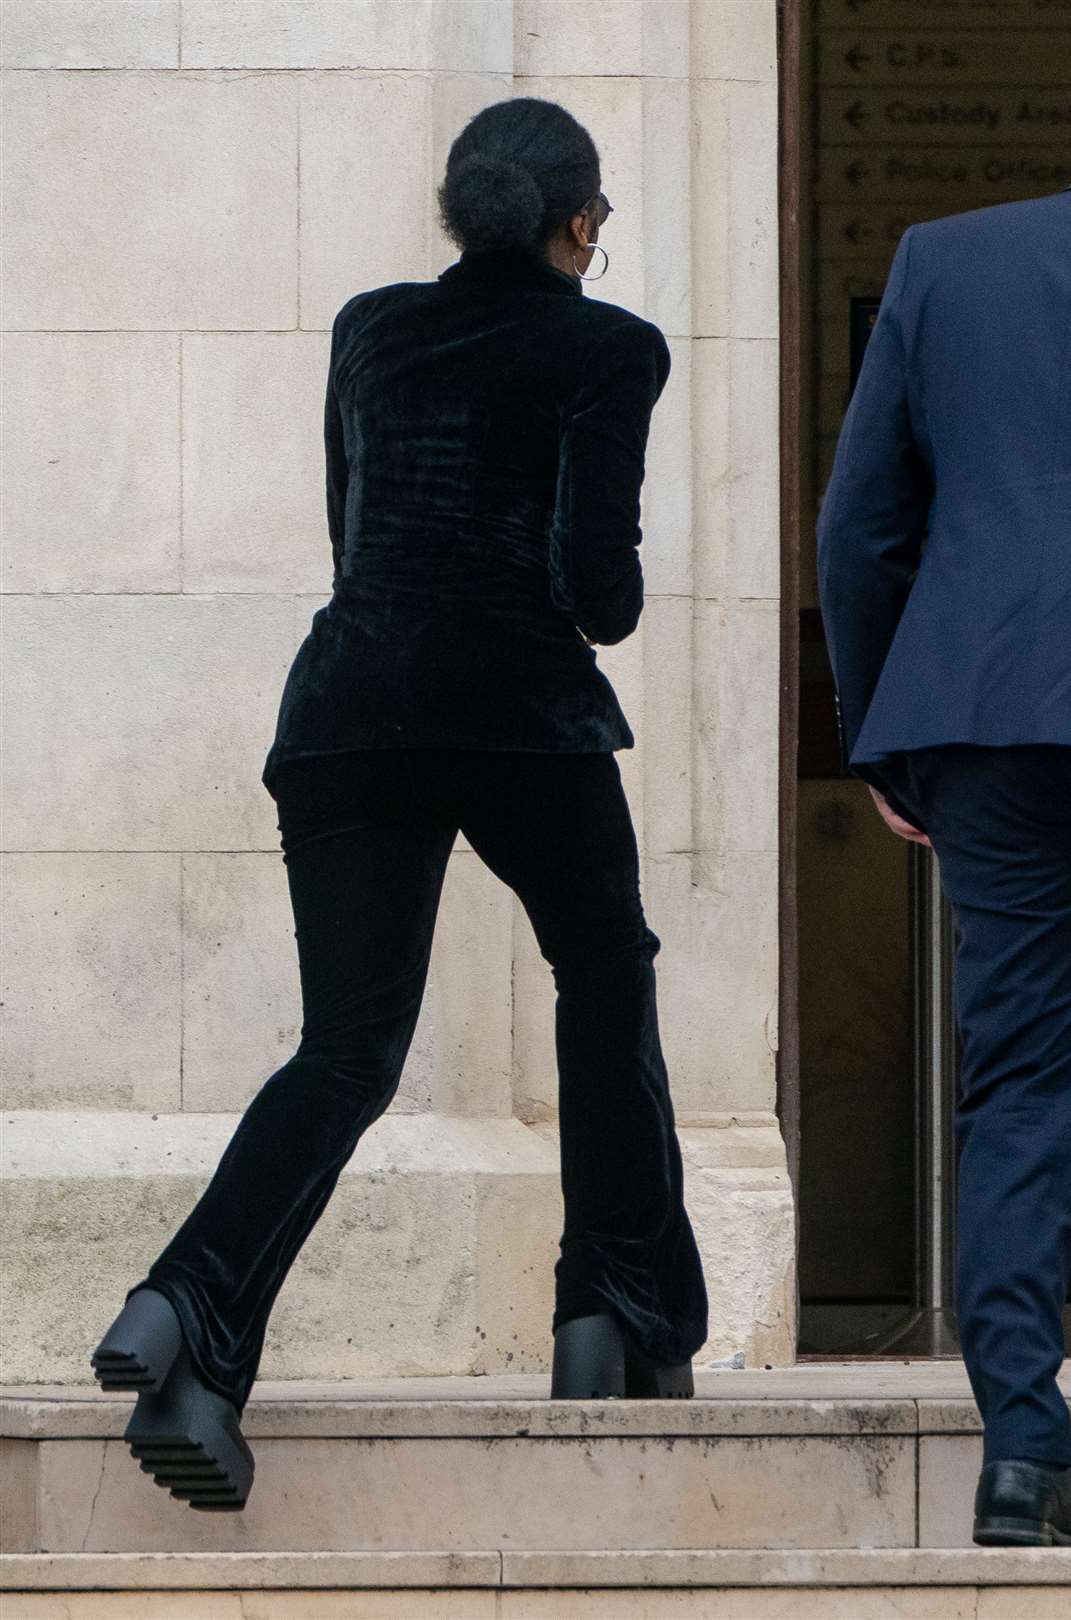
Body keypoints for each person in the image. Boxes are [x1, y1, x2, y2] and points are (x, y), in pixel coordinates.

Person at [89, 96, 709, 1512]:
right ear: (577, 223)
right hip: (517, 716)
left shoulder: (369, 330)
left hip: (347, 710)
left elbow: (353, 525)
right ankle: (609, 1309)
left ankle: (186, 1309)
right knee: (604, 971)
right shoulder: (610, 349)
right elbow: (599, 596)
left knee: (349, 1050)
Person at [816, 113, 1071, 1547]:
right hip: (991, 715)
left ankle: (1022, 1461)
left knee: (1023, 1080)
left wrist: (887, 730)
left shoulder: (945, 262)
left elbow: (859, 528)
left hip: (988, 715)